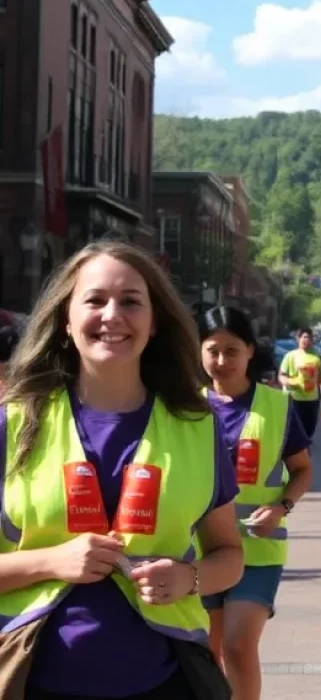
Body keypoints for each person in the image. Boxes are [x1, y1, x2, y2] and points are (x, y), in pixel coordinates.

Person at [0, 240, 244, 699]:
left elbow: (229, 556)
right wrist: (51, 561)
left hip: (167, 682)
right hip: (30, 679)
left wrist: (187, 578)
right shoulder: (11, 424)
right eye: (94, 300)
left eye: (131, 301)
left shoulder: (197, 428)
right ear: (66, 322)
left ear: (153, 324)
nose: (113, 314)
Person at [197, 306, 312, 699]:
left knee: (237, 645)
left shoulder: (277, 406)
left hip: (257, 551)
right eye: (212, 350)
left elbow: (302, 470)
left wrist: (281, 507)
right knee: (204, 654)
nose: (221, 360)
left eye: (232, 350)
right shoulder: (183, 408)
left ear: (249, 351)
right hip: (197, 551)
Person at [278, 328, 321, 440]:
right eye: (304, 337)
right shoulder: (290, 356)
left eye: (309, 337)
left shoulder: (316, 356)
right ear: (298, 339)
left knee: (309, 429)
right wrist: (288, 382)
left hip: (312, 399)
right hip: (294, 398)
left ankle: (304, 447)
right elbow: (281, 375)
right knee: (295, 430)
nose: (306, 340)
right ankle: (299, 453)